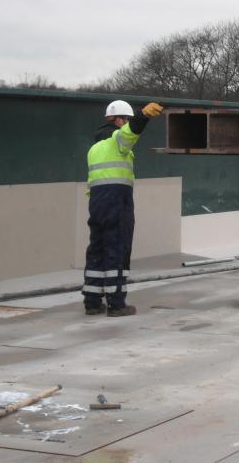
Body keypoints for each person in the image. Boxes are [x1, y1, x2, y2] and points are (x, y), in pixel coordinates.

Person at [83, 99, 163, 317]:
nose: (127, 124)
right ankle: (117, 304)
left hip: (96, 203)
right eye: (125, 120)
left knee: (97, 250)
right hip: (116, 201)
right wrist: (143, 116)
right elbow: (130, 133)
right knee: (117, 249)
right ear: (117, 120)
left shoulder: (94, 148)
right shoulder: (116, 140)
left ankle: (92, 302)